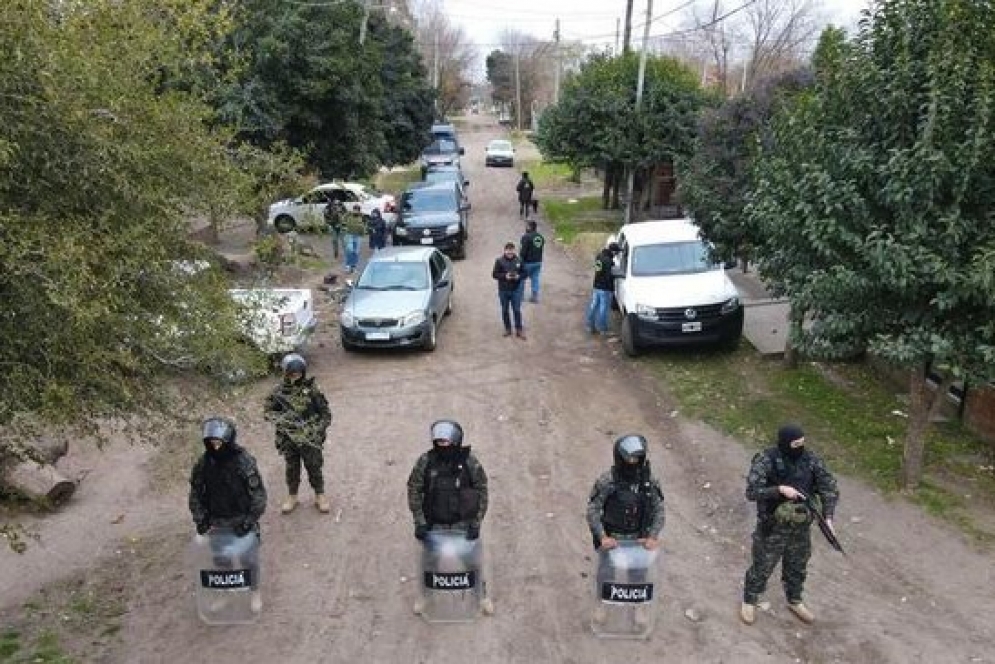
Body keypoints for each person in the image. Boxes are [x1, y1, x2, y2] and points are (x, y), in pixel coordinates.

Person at [740, 424, 839, 626]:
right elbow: (752, 491)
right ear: (785, 443)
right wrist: (779, 490)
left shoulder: (811, 460)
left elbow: (829, 487)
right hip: (772, 526)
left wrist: (828, 516)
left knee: (797, 565)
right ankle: (750, 600)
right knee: (762, 566)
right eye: (795, 444)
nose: (799, 448)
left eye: (802, 443)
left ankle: (795, 600)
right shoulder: (766, 460)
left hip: (800, 527)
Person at [406, 419, 492, 615]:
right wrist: (419, 522)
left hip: (463, 524)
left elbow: (482, 491)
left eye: (446, 442)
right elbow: (414, 489)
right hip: (434, 524)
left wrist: (476, 523)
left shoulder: (470, 463)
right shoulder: (425, 462)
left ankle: (481, 595)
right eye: (439, 442)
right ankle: (425, 596)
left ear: (456, 441)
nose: (442, 446)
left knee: (472, 562)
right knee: (429, 562)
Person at [188, 416, 267, 613]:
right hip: (217, 520)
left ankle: (255, 591)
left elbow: (258, 495)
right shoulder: (204, 464)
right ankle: (226, 593)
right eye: (210, 443)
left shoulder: (243, 462)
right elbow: (195, 493)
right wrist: (201, 520)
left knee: (249, 560)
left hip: (242, 519)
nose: (215, 447)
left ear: (228, 441)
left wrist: (249, 521)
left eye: (218, 442)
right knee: (220, 560)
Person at [586, 434, 665, 624]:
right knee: (606, 574)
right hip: (613, 538)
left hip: (638, 539)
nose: (633, 463)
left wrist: (652, 536)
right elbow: (593, 509)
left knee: (638, 574)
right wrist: (602, 536)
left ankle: (639, 607)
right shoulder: (608, 481)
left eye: (637, 458)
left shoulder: (649, 483)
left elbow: (659, 510)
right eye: (629, 458)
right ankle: (601, 603)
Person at [264, 353, 333, 514]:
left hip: (310, 439)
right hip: (289, 438)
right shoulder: (279, 392)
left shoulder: (312, 390)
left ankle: (320, 495)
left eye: (298, 374)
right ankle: (292, 496)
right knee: (292, 468)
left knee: (314, 467)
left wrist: (316, 430)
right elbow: (268, 412)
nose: (295, 377)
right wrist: (284, 422)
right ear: (285, 373)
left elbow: (326, 414)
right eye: (291, 374)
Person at [491, 242, 526, 340]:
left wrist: (519, 276)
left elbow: (525, 273)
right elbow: (494, 274)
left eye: (511, 250)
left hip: (516, 290)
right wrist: (504, 276)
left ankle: (519, 329)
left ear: (514, 250)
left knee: (517, 310)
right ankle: (508, 329)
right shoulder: (499, 261)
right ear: (505, 250)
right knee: (505, 310)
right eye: (508, 251)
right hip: (503, 291)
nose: (510, 252)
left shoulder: (519, 260)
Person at [586, 242, 620, 335]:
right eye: (617, 252)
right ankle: (603, 330)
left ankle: (590, 326)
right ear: (613, 252)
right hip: (605, 288)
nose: (617, 254)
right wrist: (616, 274)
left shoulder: (599, 256)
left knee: (593, 306)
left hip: (596, 286)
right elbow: (609, 276)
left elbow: (598, 270)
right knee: (603, 309)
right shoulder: (609, 261)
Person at [519, 220, 545, 303]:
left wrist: (520, 261)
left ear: (530, 227)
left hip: (528, 262)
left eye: (527, 226)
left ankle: (520, 296)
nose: (525, 228)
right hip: (538, 262)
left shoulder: (526, 237)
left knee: (522, 278)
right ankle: (534, 296)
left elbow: (523, 251)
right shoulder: (540, 237)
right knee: (535, 278)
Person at [341, 204, 366, 273]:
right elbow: (342, 219)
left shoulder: (361, 216)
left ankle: (354, 267)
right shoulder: (348, 215)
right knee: (350, 251)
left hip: (358, 236)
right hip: (349, 235)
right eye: (355, 209)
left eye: (357, 210)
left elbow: (364, 225)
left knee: (356, 252)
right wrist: (348, 213)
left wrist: (363, 232)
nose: (356, 211)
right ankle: (348, 266)